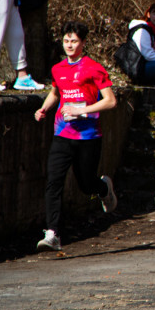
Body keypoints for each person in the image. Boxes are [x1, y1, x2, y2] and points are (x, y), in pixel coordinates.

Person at [34, 22, 117, 252]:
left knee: (85, 183)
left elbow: (110, 101)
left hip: (89, 136)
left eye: (74, 41)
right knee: (54, 181)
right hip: (62, 134)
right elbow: (55, 93)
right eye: (66, 41)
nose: (70, 45)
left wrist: (82, 110)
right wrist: (44, 109)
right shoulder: (58, 69)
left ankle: (103, 189)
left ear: (83, 44)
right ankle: (52, 234)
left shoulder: (94, 68)